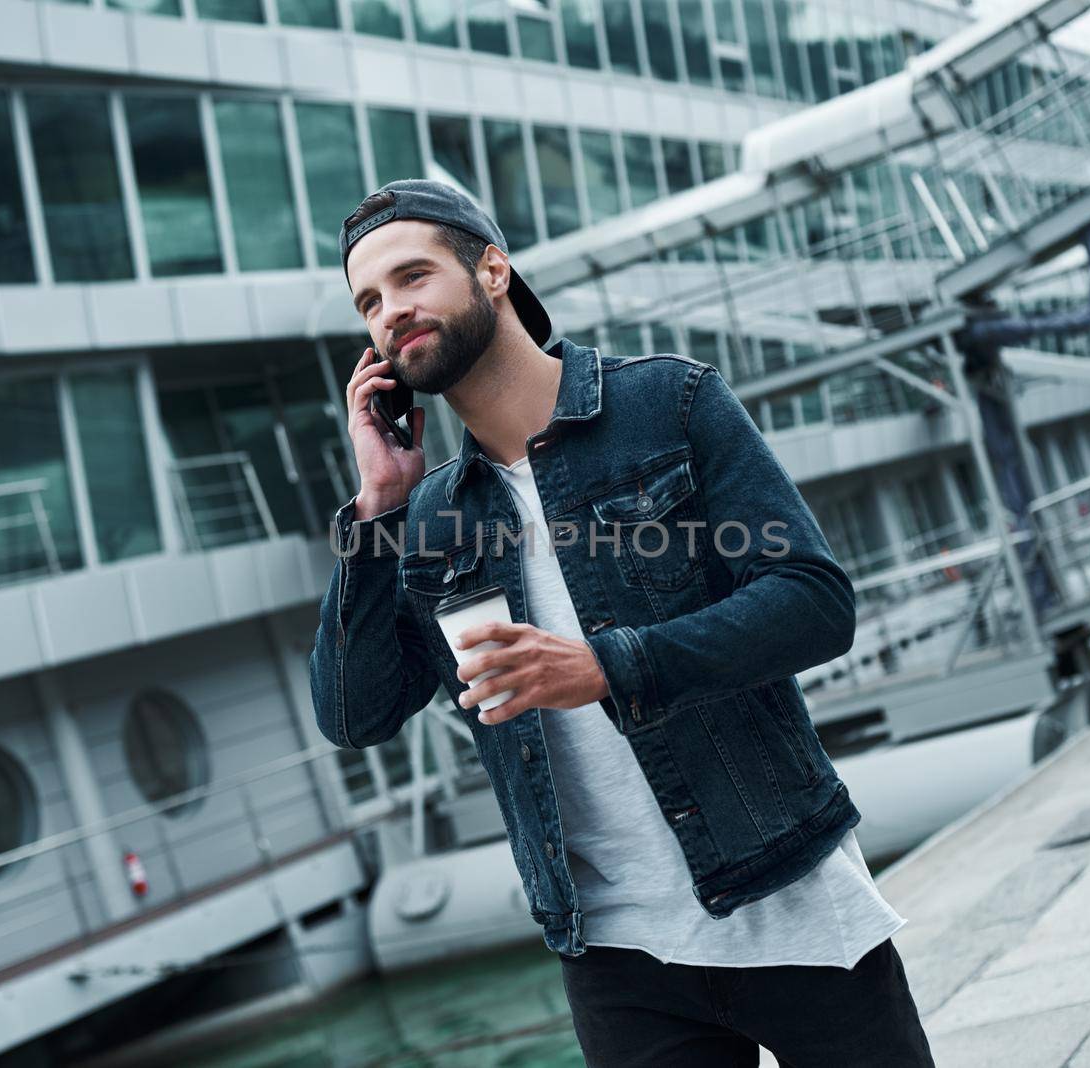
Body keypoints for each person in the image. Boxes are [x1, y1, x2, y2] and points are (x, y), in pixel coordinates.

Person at [308, 178, 934, 1067]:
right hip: (614, 949)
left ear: (492, 270)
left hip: (782, 889)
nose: (390, 313)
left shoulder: (668, 406)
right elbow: (352, 713)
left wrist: (610, 666)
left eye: (412, 278)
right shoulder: (428, 517)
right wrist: (375, 509)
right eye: (369, 301)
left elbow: (812, 599)